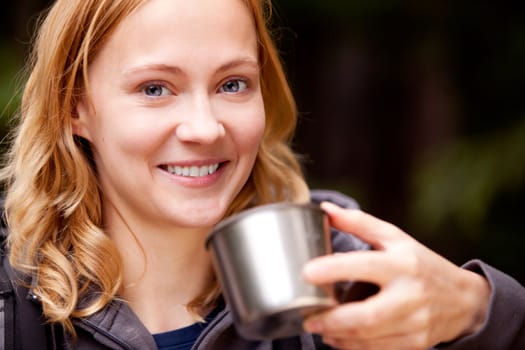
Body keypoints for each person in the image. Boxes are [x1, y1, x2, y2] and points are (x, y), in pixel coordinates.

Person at [0, 0, 523, 349]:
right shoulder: (11, 305)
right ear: (76, 110)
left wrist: (479, 310)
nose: (205, 129)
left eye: (233, 84)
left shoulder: (343, 272)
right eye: (155, 88)